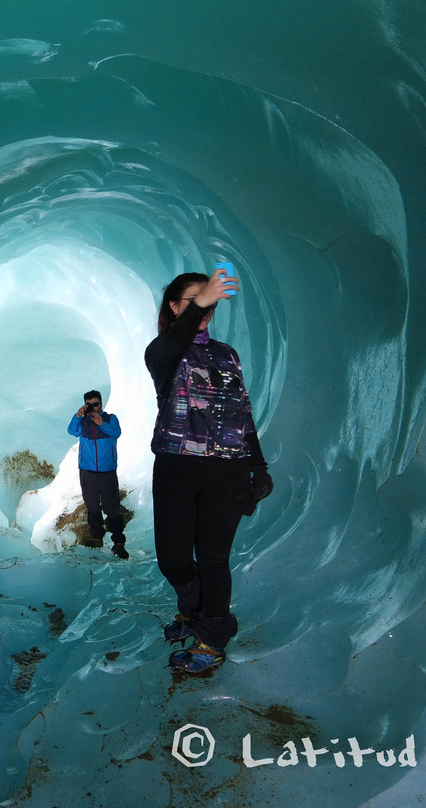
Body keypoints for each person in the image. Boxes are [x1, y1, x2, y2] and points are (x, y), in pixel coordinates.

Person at [144, 268, 273, 674]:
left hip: (227, 471)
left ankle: (212, 636)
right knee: (174, 560)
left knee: (214, 558)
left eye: (210, 300)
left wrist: (258, 465)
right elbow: (177, 339)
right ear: (174, 305)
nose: (206, 306)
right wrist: (201, 300)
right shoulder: (162, 352)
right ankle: (191, 608)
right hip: (176, 467)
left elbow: (242, 414)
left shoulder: (227, 354)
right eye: (196, 299)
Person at [67, 390, 128, 560]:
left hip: (107, 471)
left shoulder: (110, 418)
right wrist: (78, 415)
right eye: (89, 404)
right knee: (92, 506)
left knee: (112, 507)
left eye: (96, 404)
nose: (93, 407)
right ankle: (96, 538)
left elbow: (116, 433)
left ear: (101, 403)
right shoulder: (83, 421)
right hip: (87, 471)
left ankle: (118, 542)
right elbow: (71, 431)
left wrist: (102, 424)